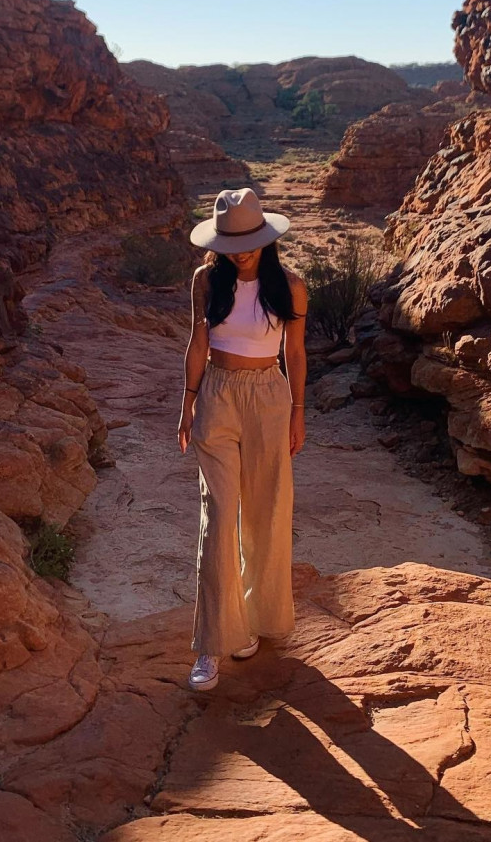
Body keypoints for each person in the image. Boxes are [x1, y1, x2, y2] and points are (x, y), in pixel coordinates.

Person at [179, 186, 308, 692]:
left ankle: (254, 620)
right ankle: (212, 643)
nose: (243, 253)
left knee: (266, 511)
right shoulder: (206, 281)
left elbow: (294, 355)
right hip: (217, 395)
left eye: (250, 242)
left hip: (270, 401)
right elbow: (197, 341)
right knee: (217, 516)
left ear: (266, 238)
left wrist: (299, 412)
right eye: (232, 246)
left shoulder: (291, 286)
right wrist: (187, 401)